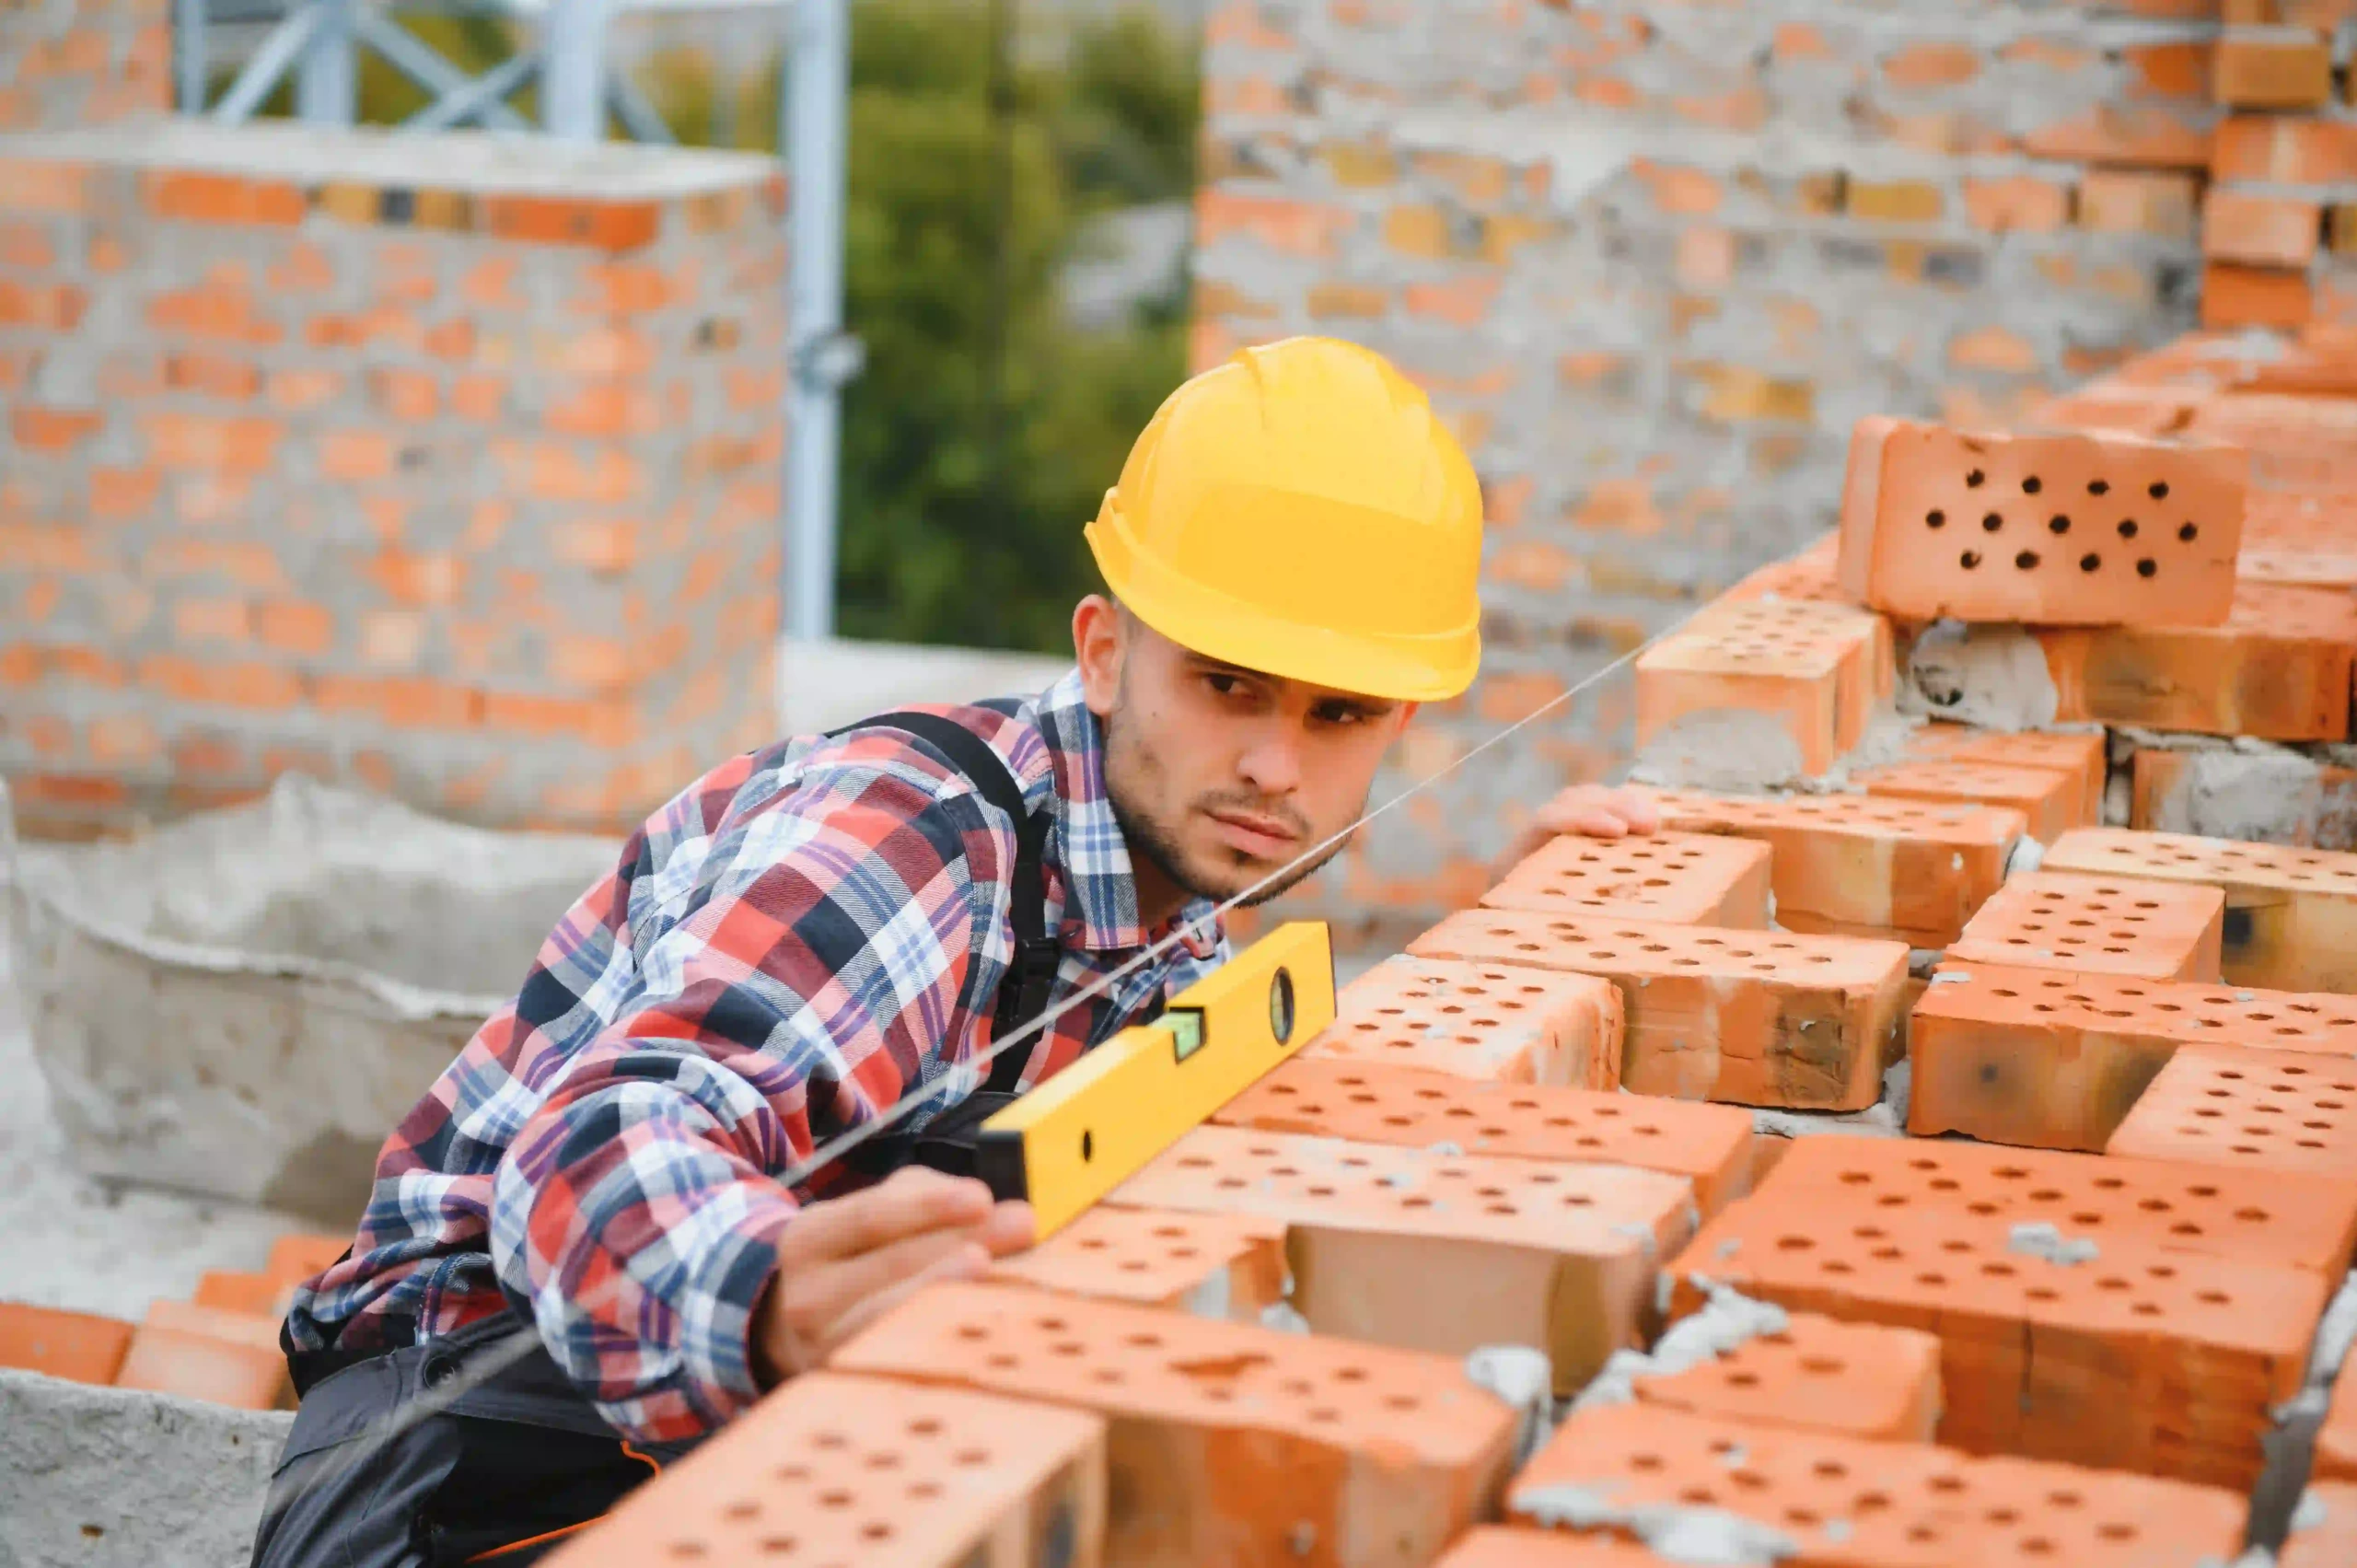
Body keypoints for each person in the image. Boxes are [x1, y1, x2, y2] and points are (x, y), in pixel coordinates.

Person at [248, 336, 1658, 1566]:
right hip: (455, 1456)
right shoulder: (915, 846)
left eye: (1339, 716)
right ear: (1104, 651)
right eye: (1226, 683)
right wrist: (770, 1294)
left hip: (742, 1437)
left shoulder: (1167, 898)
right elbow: (599, 1139)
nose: (1275, 765)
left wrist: (1517, 948)